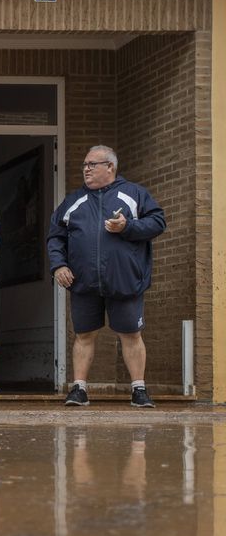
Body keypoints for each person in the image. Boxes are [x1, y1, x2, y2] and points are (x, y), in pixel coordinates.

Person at [47, 146, 165, 408]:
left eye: (93, 164)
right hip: (84, 281)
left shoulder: (134, 194)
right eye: (85, 165)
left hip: (124, 280)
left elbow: (158, 222)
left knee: (131, 334)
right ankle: (79, 389)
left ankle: (138, 390)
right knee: (84, 334)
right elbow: (55, 236)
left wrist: (128, 226)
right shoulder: (73, 201)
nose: (86, 169)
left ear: (110, 167)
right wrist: (58, 265)